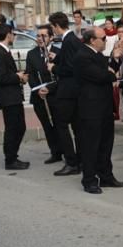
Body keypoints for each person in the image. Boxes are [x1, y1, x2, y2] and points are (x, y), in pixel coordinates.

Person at [74, 27, 123, 194]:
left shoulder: (97, 55)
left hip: (104, 107)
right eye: (103, 39)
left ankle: (106, 176)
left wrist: (114, 61)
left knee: (106, 144)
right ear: (92, 40)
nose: (105, 41)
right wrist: (110, 72)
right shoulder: (82, 56)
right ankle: (89, 180)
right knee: (91, 146)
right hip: (90, 109)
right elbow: (103, 76)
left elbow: (110, 70)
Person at [46, 11, 82, 176]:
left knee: (61, 124)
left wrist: (54, 67)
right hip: (74, 91)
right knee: (76, 126)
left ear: (56, 26)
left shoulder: (69, 41)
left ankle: (71, 162)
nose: (53, 31)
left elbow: (70, 69)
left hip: (68, 91)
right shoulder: (72, 39)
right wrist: (58, 57)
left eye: (52, 28)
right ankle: (80, 160)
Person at [0, 24, 30, 170]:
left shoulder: (4, 51)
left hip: (13, 96)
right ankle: (10, 159)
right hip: (8, 98)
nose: (14, 36)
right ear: (8, 35)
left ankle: (13, 156)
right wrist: (17, 76)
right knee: (13, 128)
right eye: (13, 34)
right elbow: (0, 78)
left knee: (20, 127)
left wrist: (19, 77)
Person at [25, 25, 63, 163]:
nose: (40, 39)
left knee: (59, 125)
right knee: (47, 125)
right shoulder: (31, 54)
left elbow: (62, 75)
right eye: (38, 36)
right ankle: (55, 152)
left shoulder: (58, 52)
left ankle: (67, 151)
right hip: (39, 96)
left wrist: (50, 88)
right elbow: (30, 74)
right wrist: (38, 88)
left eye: (44, 36)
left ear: (51, 38)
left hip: (56, 94)